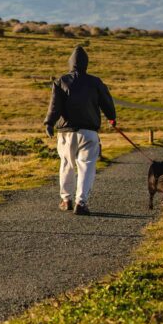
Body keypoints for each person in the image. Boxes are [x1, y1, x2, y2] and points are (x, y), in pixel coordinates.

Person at [43, 45, 116, 216]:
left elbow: (55, 105)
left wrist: (49, 123)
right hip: (89, 132)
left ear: (70, 62)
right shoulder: (95, 82)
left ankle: (66, 200)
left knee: (67, 164)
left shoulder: (61, 81)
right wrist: (112, 118)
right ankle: (81, 203)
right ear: (86, 63)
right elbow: (107, 101)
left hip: (66, 132)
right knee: (87, 167)